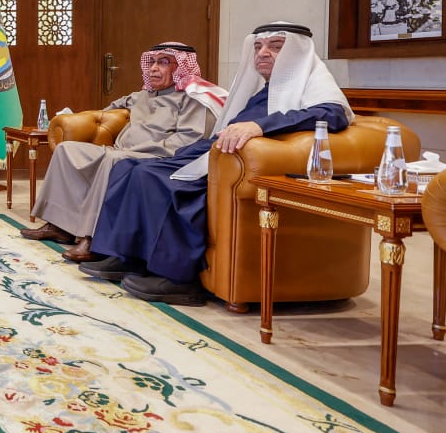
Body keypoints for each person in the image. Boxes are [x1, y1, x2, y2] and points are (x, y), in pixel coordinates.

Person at [81, 22, 352, 305]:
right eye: (258, 46)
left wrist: (259, 126)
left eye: (275, 47)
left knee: (153, 177)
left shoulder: (313, 85)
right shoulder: (264, 91)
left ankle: (178, 279)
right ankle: (127, 256)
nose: (263, 53)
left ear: (297, 52)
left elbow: (333, 115)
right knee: (127, 168)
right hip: (217, 152)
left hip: (241, 162)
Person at [18, 42, 223, 262]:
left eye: (163, 62)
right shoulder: (143, 95)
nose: (153, 68)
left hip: (157, 157)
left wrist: (137, 149)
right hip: (119, 150)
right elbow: (111, 110)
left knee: (112, 160)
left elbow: (187, 140)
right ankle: (59, 225)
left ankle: (92, 238)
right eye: (152, 62)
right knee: (66, 150)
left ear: (182, 67)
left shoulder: (193, 100)